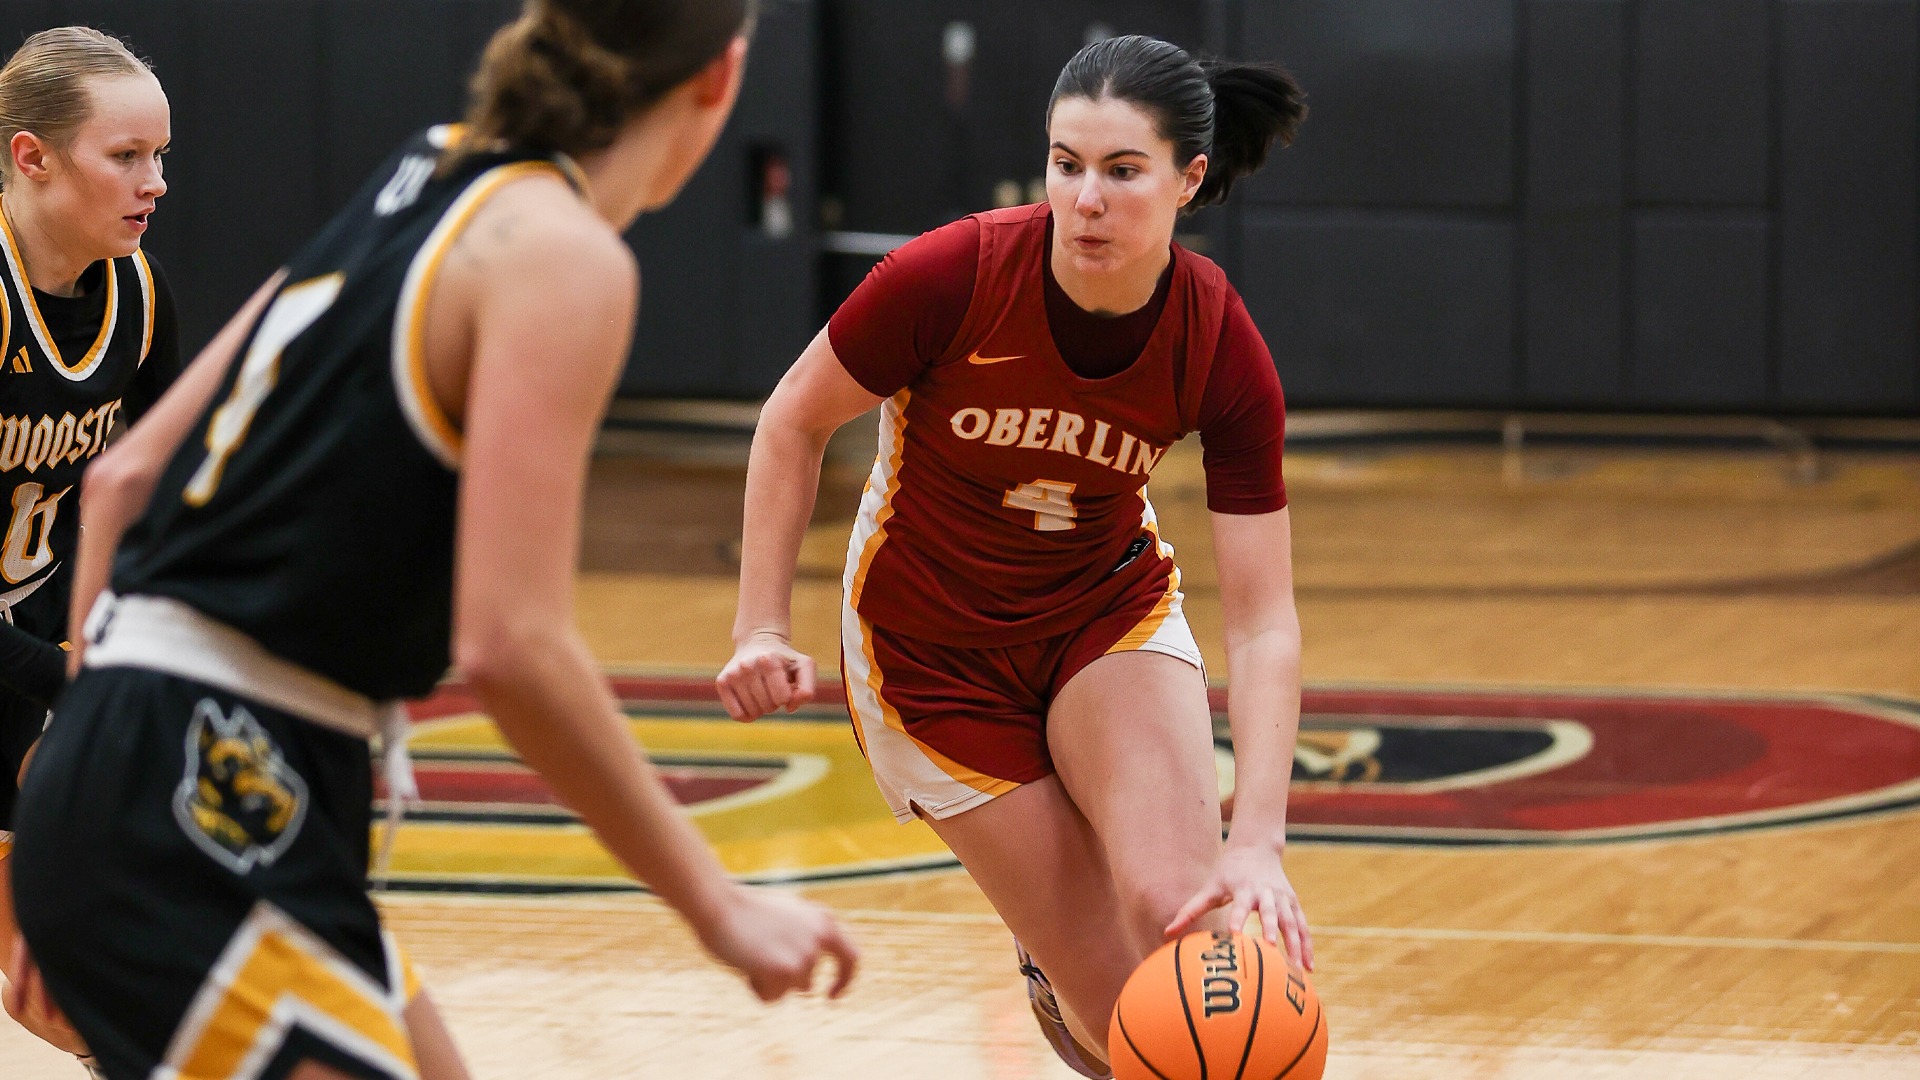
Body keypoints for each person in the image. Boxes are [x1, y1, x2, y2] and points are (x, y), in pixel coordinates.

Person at [6, 2, 857, 1078]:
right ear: (721, 77)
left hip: (179, 769)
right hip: (199, 785)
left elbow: (125, 478)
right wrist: (719, 903)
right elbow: (510, 646)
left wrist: (77, 797)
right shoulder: (563, 253)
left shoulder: (431, 167)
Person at [719, 34, 1309, 1077]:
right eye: (1065, 163)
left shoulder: (1215, 336)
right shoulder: (952, 276)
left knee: (1188, 925)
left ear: (1189, 179)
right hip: (930, 659)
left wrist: (1256, 836)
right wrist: (762, 623)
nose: (1086, 198)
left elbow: (1264, 620)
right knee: (1126, 1012)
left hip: (1100, 612)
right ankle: (1062, 985)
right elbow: (790, 422)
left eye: (1123, 171)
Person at [0, 25, 181, 1074]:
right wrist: (76, 676)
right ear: (33, 157)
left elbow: (176, 501)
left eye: (162, 155)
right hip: (18, 661)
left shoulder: (137, 293)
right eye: (125, 157)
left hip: (13, 655)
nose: (154, 181)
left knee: (98, 975)